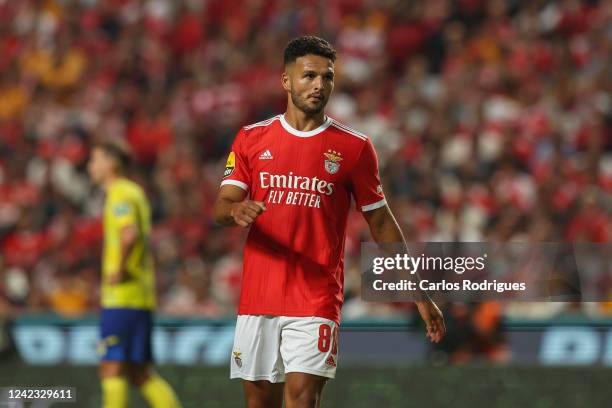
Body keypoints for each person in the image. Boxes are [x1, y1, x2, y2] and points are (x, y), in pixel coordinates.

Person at [213, 36, 445, 408]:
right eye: (309, 76)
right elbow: (222, 205)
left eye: (327, 77)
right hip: (259, 298)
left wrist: (418, 293)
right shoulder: (251, 138)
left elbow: (381, 222)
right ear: (286, 81)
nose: (319, 85)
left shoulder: (354, 148)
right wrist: (236, 211)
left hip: (316, 298)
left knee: (303, 401)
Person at [88, 140, 181, 408]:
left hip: (123, 296)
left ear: (111, 163)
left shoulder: (120, 193)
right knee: (140, 373)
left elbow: (128, 234)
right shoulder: (133, 192)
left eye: (95, 159)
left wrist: (118, 269)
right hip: (139, 295)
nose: (90, 166)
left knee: (111, 368)